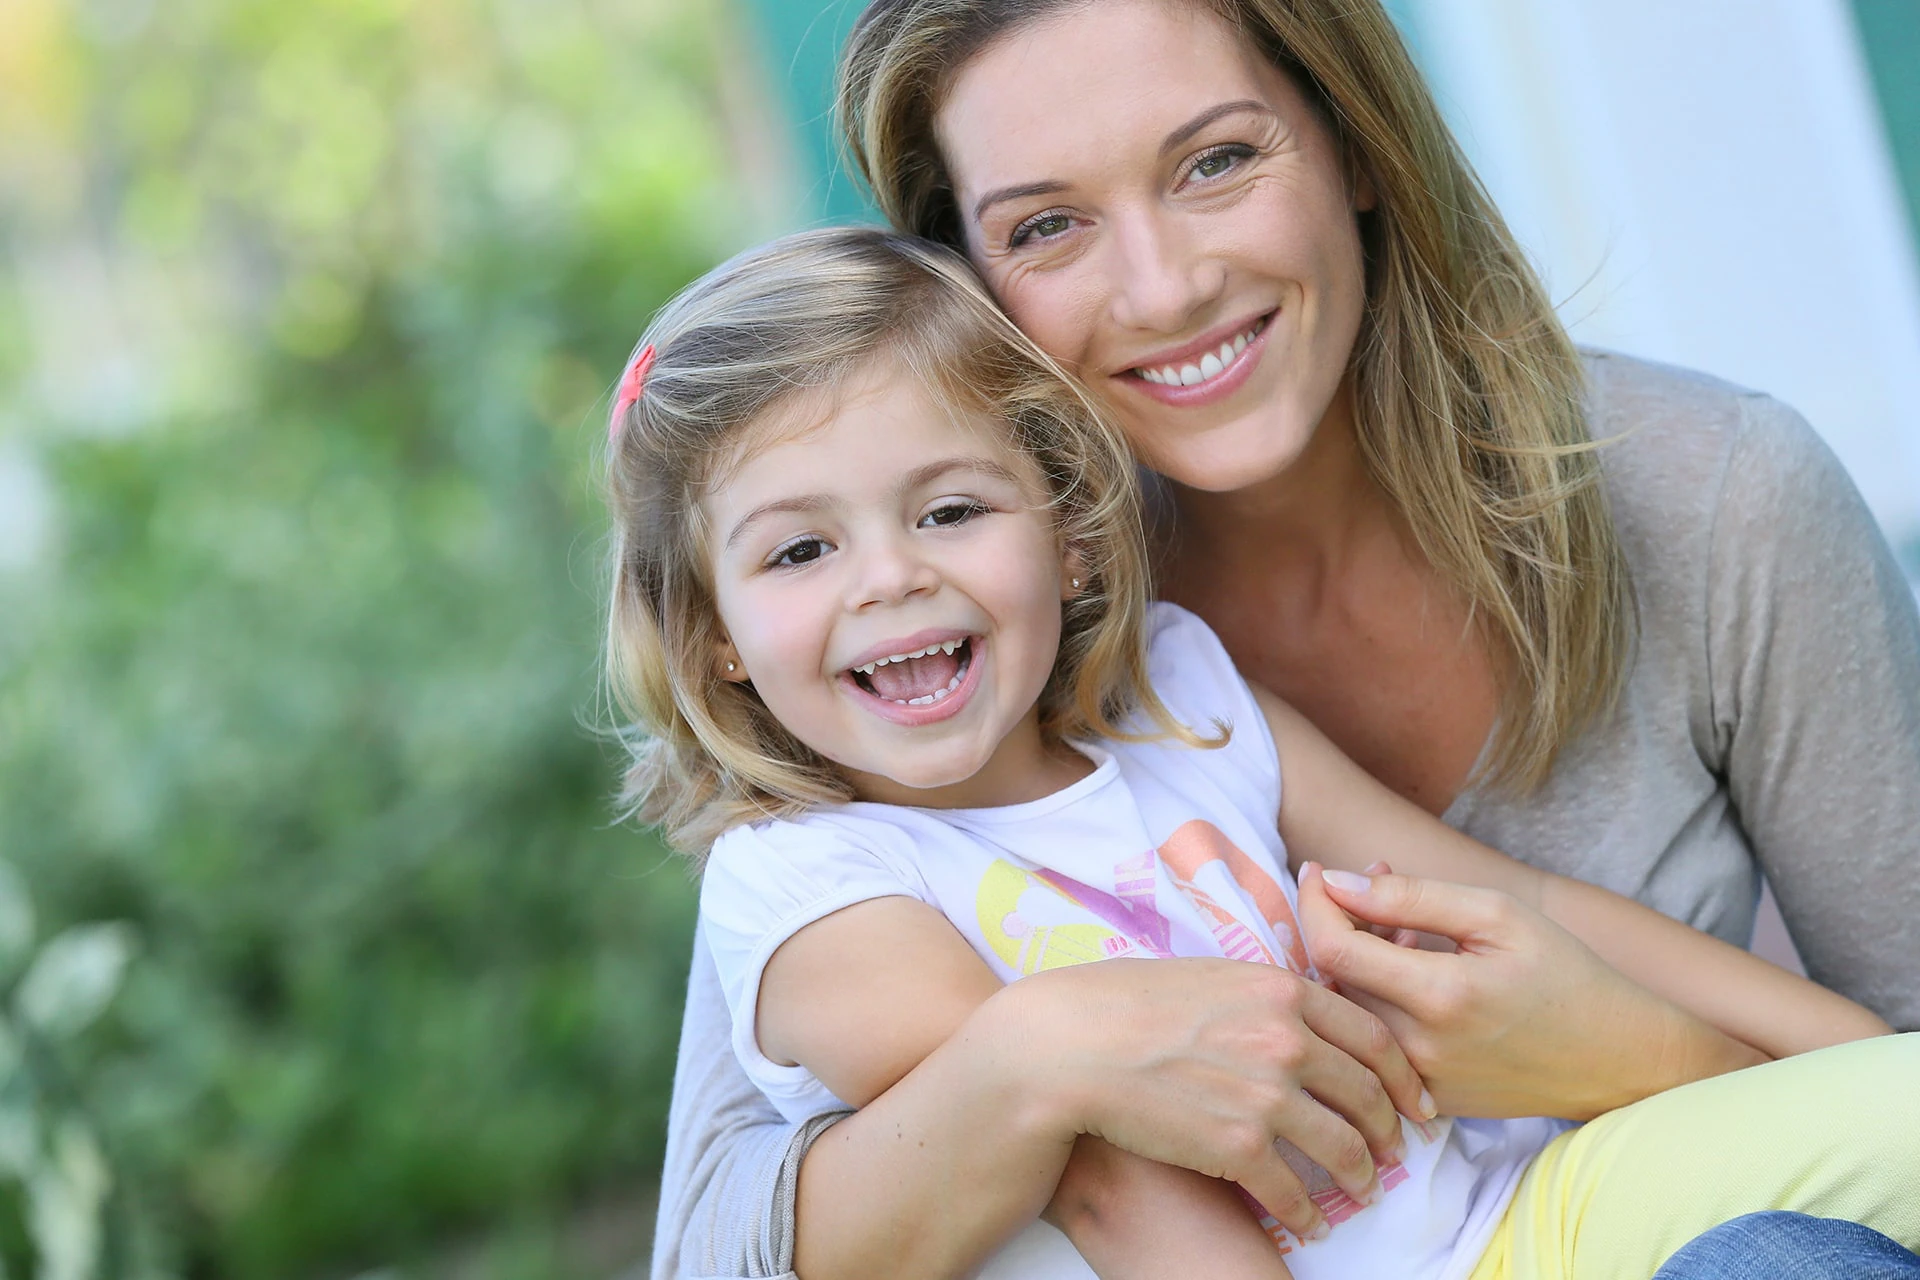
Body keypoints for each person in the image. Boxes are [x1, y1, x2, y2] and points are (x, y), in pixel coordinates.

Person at [648, 0, 1920, 1275]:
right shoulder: (846, 817)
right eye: (1047, 224)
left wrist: (1707, 1056)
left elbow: (1547, 916)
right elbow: (724, 1243)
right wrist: (1037, 1054)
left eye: (1217, 160)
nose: (1164, 285)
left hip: (1528, 1222)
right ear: (974, 292)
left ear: (1357, 140)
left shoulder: (1166, 673)